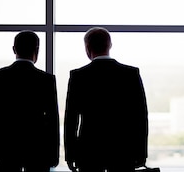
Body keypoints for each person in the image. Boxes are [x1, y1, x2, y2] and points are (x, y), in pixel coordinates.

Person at [64, 27, 149, 172]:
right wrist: (141, 153)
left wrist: (70, 155)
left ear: (87, 47)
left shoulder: (78, 76)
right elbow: (140, 117)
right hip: (123, 151)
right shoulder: (130, 74)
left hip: (89, 151)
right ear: (110, 45)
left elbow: (71, 120)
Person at [0, 30, 60, 172]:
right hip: (37, 151)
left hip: (5, 150)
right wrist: (54, 156)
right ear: (37, 50)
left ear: (14, 49)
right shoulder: (46, 80)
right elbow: (52, 121)